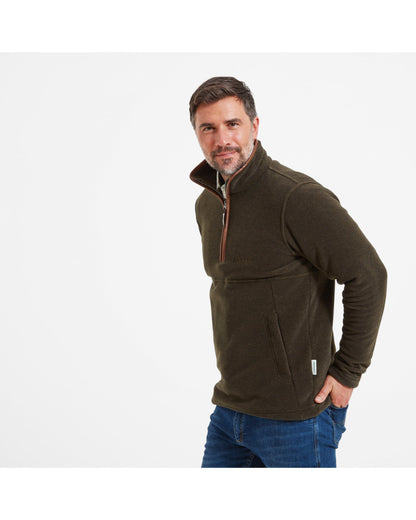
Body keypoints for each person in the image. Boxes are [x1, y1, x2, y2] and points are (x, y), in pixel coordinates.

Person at [188, 76, 387, 468]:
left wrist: (347, 373)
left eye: (232, 124)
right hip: (229, 411)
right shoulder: (207, 205)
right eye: (207, 128)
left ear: (254, 125)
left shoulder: (295, 197)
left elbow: (368, 275)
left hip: (297, 418)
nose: (221, 139)